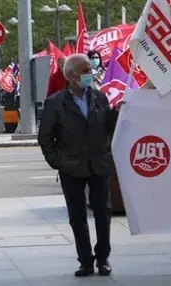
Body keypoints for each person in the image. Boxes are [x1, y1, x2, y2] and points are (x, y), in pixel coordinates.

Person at [38, 54, 119, 277]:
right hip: (71, 167)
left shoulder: (99, 98)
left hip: (98, 164)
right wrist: (58, 161)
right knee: (77, 215)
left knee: (103, 213)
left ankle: (103, 258)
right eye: (85, 71)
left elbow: (109, 128)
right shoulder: (56, 103)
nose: (90, 74)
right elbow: (45, 137)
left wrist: (116, 113)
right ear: (72, 76)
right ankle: (85, 260)